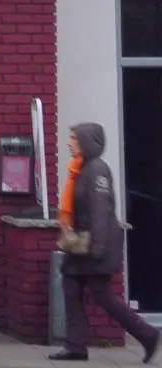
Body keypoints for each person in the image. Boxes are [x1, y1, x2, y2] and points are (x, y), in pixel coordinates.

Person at [50, 124, 159, 363]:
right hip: (81, 244)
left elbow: (101, 211)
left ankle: (148, 334)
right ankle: (76, 346)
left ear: (86, 141)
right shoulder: (80, 168)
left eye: (73, 138)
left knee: (101, 295)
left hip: (95, 244)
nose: (69, 143)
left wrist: (98, 248)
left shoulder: (96, 170)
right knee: (71, 288)